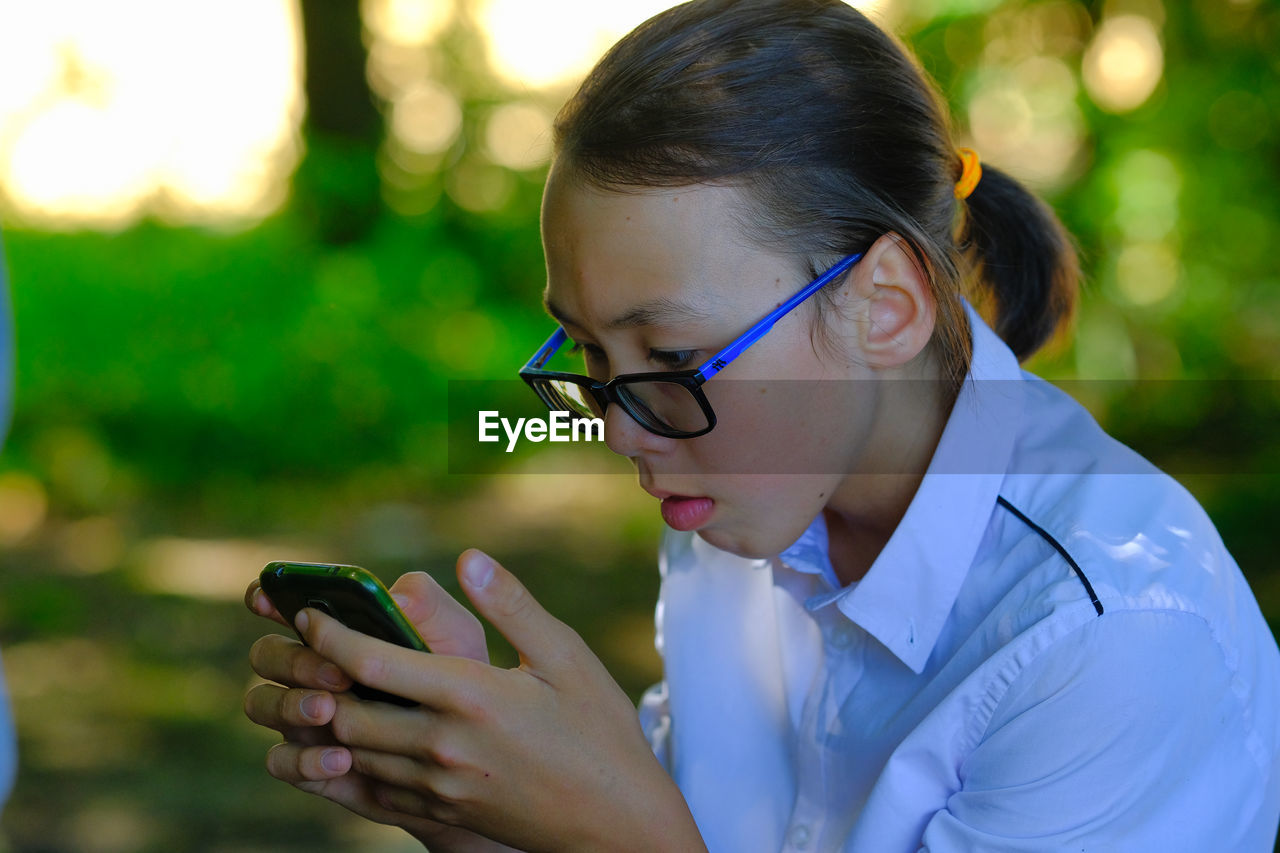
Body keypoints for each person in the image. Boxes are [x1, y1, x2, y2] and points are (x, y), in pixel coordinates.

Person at [243, 1, 1280, 850]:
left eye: (678, 360)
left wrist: (610, 833)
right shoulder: (749, 496)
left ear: (884, 304)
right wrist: (477, 797)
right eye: (592, 356)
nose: (621, 429)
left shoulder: (1114, 634)